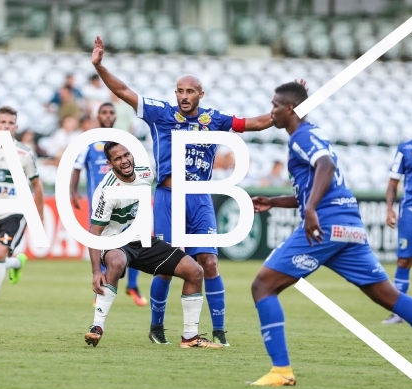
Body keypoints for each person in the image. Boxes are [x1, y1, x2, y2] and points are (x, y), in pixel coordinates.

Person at [91, 35, 287, 346]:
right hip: (168, 198)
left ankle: (218, 331)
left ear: (200, 94)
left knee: (209, 263)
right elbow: (124, 92)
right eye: (180, 91)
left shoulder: (214, 120)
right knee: (170, 265)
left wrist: (290, 108)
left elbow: (258, 122)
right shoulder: (161, 114)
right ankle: (157, 327)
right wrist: (100, 66)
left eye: (190, 91)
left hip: (200, 198)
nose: (184, 96)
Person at [247, 82, 412, 386]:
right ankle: (280, 371)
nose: (271, 111)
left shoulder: (301, 137)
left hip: (325, 225)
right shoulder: (315, 133)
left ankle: (281, 372)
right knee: (388, 296)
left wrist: (310, 210)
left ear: (290, 109)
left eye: (275, 105)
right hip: (348, 225)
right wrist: (274, 202)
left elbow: (325, 164)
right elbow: (315, 182)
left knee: (263, 286)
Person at [84, 142, 221, 349]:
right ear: (110, 164)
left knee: (195, 271)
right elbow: (95, 232)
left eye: (126, 154)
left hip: (142, 240)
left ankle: (190, 337)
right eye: (118, 158)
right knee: (117, 261)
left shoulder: (145, 173)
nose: (124, 160)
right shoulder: (106, 190)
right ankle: (97, 327)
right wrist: (96, 271)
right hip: (115, 242)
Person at [71, 103, 147, 307]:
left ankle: (133, 285)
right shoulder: (90, 143)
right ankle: (102, 287)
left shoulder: (122, 143)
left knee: (136, 241)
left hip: (127, 202)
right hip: (102, 205)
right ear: (98, 116)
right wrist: (73, 191)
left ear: (115, 116)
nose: (107, 115)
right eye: (103, 112)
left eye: (111, 112)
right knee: (104, 244)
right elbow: (77, 168)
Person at [0, 106, 44, 317]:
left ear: (16, 127)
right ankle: (16, 262)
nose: (6, 126)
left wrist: (38, 214)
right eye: (2, 122)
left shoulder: (25, 154)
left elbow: (37, 185)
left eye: (10, 123)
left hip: (16, 211)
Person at [383, 139, 412, 324]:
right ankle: (399, 312)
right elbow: (393, 182)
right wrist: (389, 209)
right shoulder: (406, 148)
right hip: (410, 213)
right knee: (404, 260)